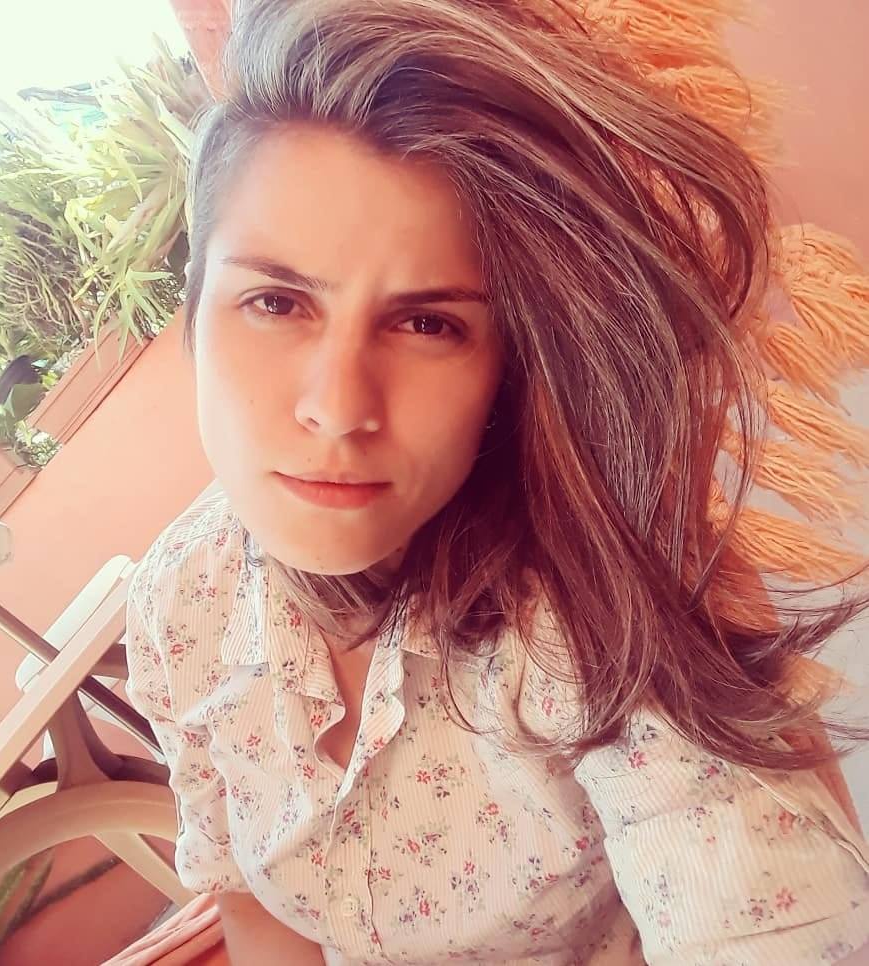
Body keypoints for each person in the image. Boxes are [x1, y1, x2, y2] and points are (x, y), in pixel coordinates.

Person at [124, 0, 869, 962]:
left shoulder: (598, 610)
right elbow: (244, 890)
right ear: (194, 316)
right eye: (276, 301)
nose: (339, 407)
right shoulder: (177, 600)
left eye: (428, 323)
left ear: (506, 366)